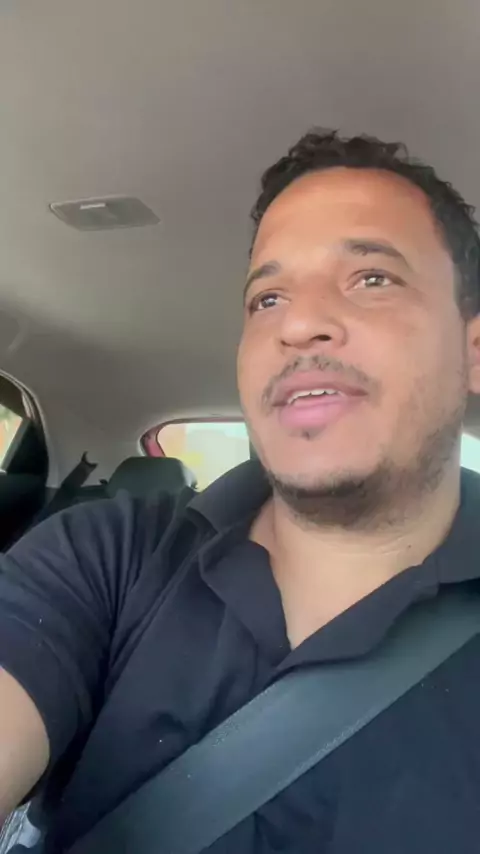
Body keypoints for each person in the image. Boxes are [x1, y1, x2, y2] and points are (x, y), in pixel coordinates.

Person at [1, 129, 480, 854]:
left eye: (372, 278)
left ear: (473, 351)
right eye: (268, 297)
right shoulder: (107, 556)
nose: (299, 323)